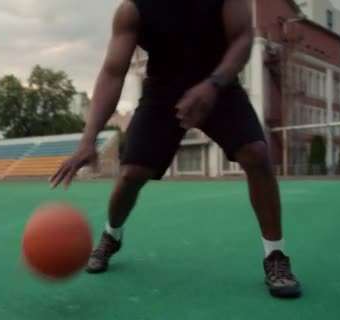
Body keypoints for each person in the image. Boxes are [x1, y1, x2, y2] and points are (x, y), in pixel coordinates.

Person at [50, 0, 301, 298]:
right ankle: (111, 235)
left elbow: (243, 39)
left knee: (257, 154)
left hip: (219, 84)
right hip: (163, 91)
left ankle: (275, 256)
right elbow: (113, 71)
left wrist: (214, 84)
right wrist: (88, 139)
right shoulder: (133, 9)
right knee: (131, 174)